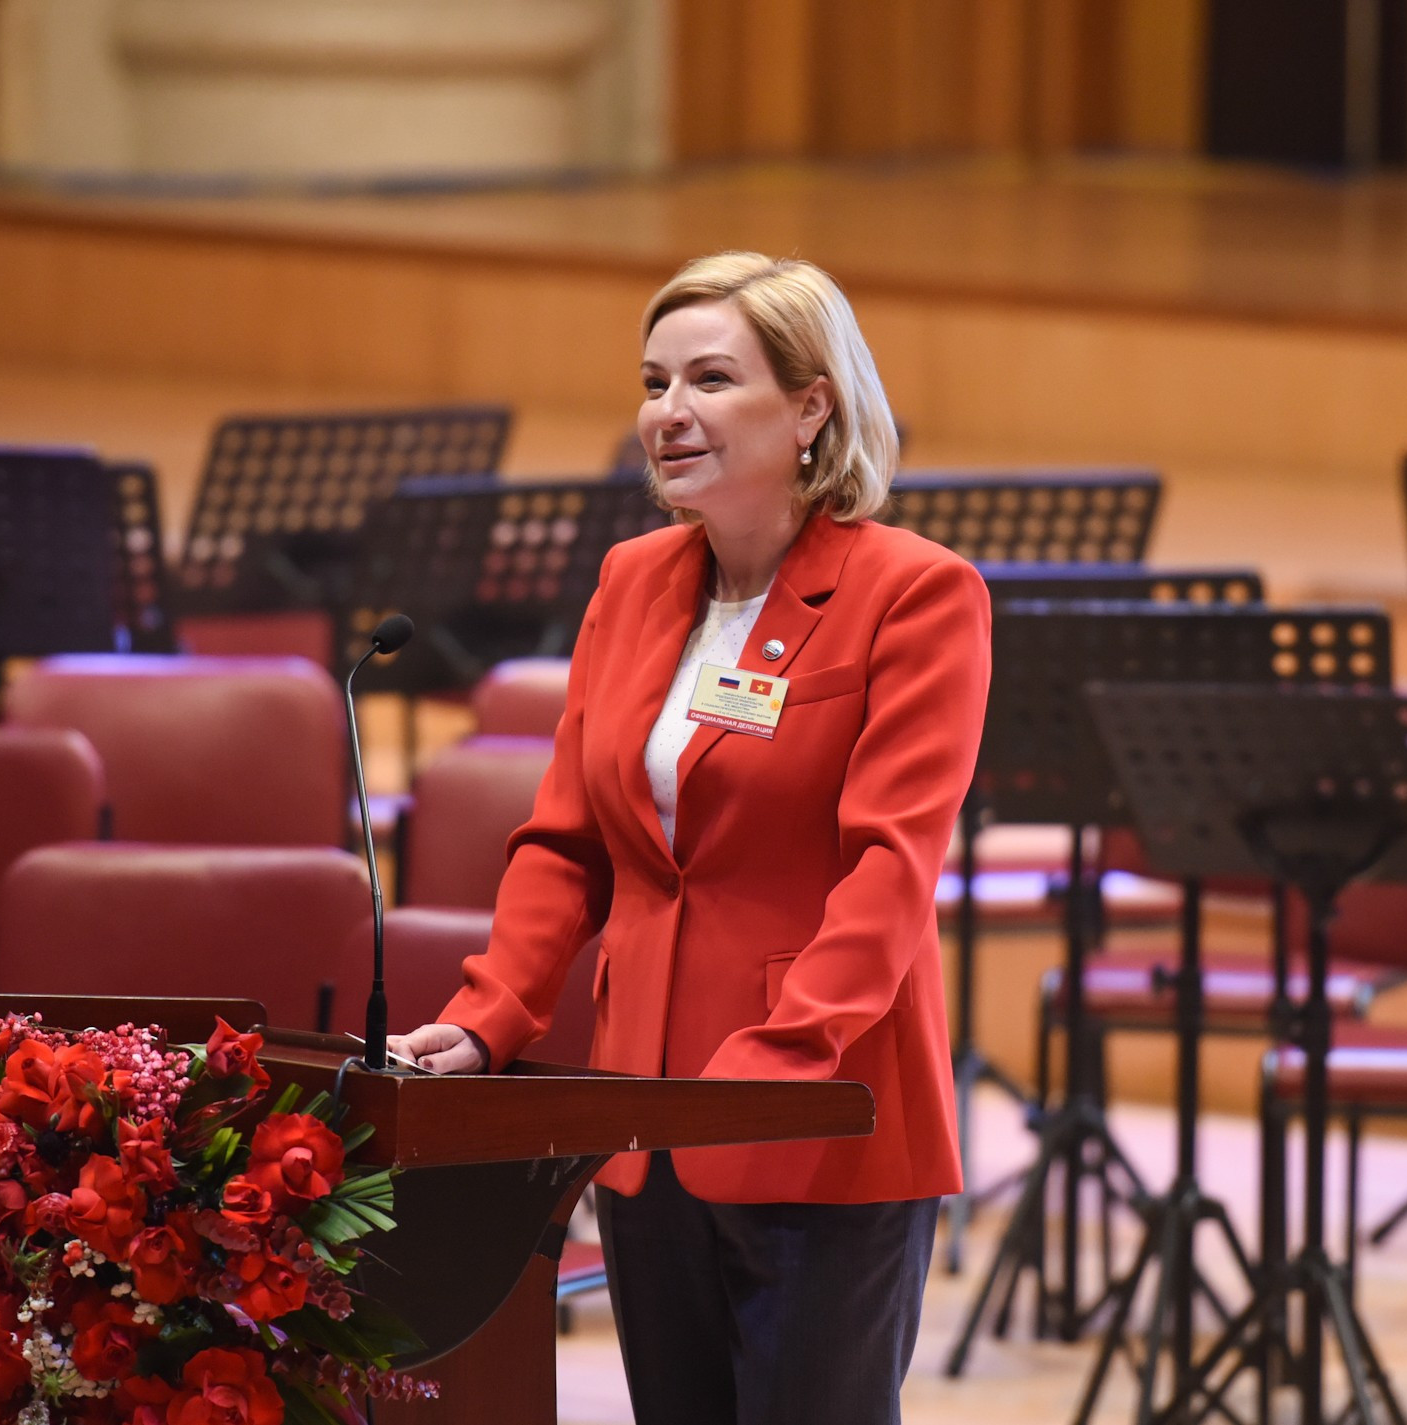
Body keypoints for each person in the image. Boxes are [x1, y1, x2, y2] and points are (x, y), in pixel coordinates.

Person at [390, 251, 991, 1425]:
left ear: (812, 404)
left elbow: (891, 869)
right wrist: (488, 1016)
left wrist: (782, 1054)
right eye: (654, 383)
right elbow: (566, 842)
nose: (669, 414)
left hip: (820, 1108)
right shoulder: (634, 580)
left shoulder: (914, 595)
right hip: (642, 1111)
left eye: (710, 380)